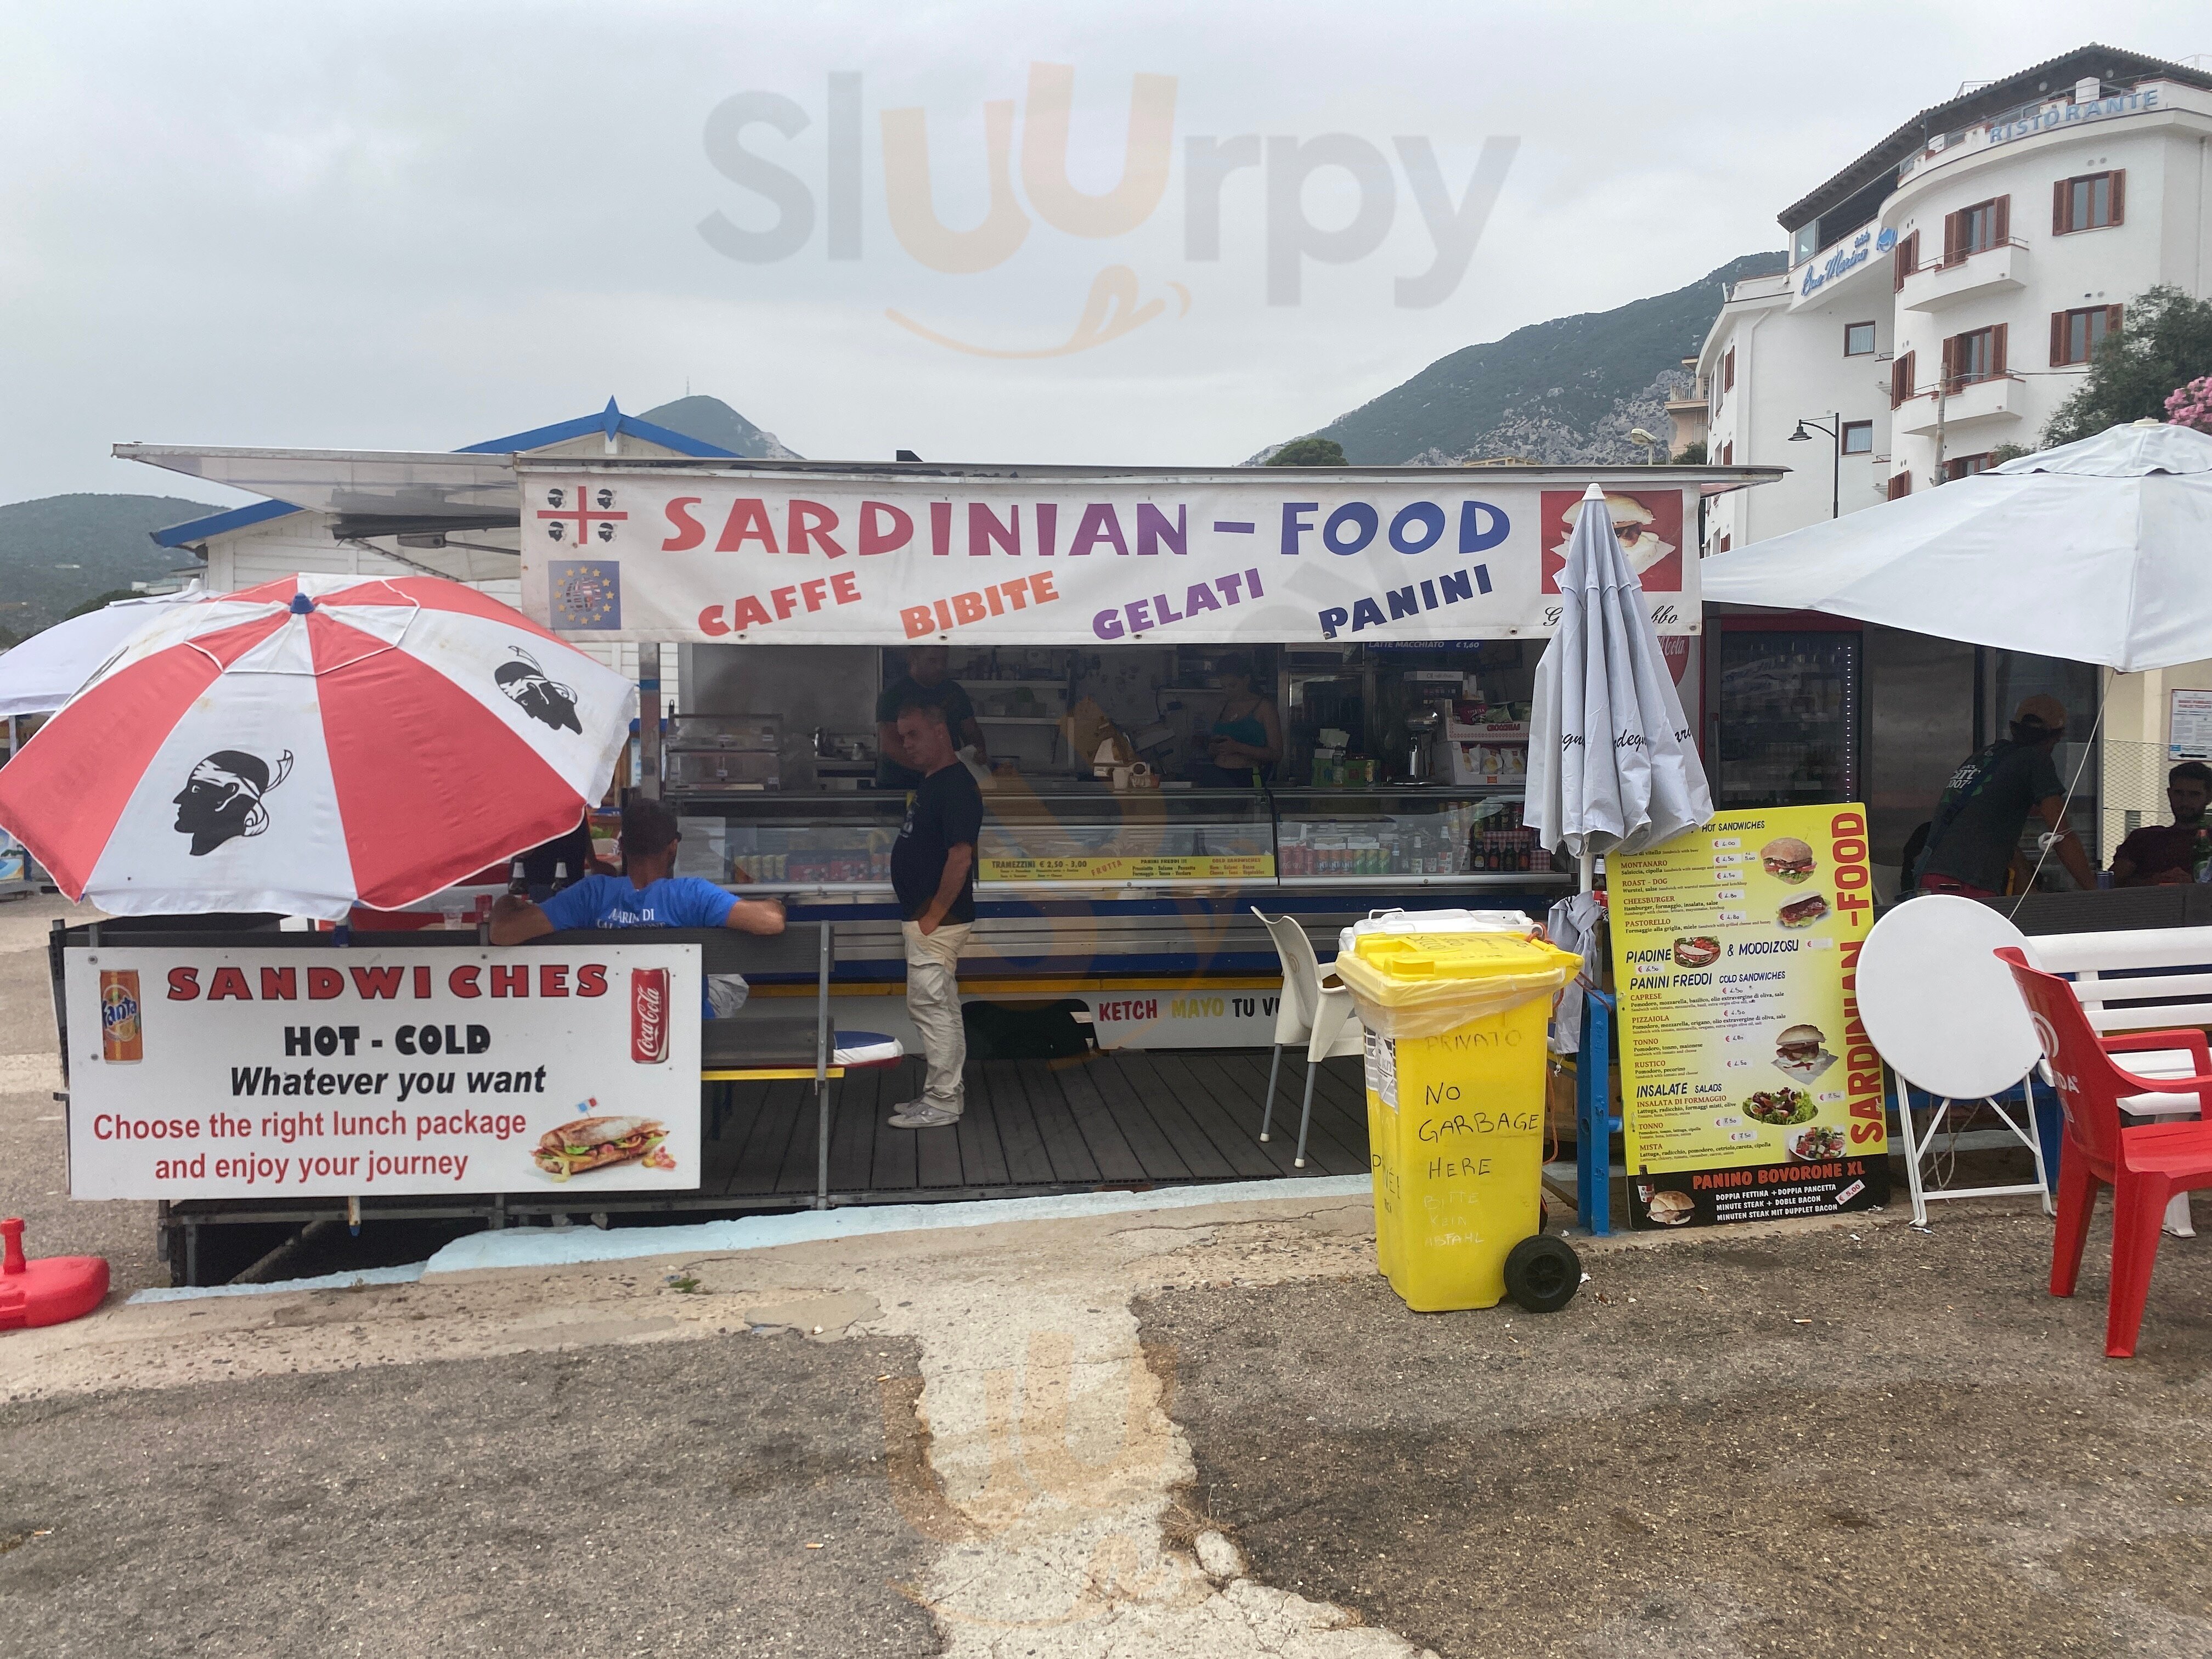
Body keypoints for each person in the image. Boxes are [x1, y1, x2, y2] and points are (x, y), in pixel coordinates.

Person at [490, 798, 785, 1017]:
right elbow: (771, 922)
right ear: (673, 846)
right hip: (688, 1028)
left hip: (606, 1024)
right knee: (730, 981)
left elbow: (503, 933)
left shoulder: (590, 894)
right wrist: (775, 904)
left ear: (623, 845)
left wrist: (506, 902)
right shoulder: (692, 895)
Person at [886, 698, 983, 1130]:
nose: (907, 745)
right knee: (939, 1006)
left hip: (937, 923)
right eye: (902, 737)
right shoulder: (934, 781)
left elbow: (961, 857)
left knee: (931, 1006)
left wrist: (933, 916)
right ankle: (946, 1093)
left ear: (941, 732)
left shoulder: (957, 785)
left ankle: (942, 1102)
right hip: (928, 920)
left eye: (915, 735)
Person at [1916, 695, 2097, 899]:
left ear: (2012, 728)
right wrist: (2096, 893)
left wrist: (2030, 889)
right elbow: (2061, 835)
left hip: (1931, 878)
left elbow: (2003, 842)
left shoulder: (1984, 757)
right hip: (1967, 885)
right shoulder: (2036, 759)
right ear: (2058, 736)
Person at [876, 645, 988, 789]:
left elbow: (972, 732)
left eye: (944, 661)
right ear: (913, 658)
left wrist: (978, 751)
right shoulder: (892, 695)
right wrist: (936, 768)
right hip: (901, 785)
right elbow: (890, 746)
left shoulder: (955, 692)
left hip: (946, 786)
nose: (940, 667)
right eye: (932, 660)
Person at [2110, 761, 2212, 886]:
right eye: (2179, 793)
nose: (2185, 801)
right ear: (2169, 794)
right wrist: (2153, 882)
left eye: (2194, 795)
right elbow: (2111, 883)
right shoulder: (2143, 838)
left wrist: (2195, 883)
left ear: (2209, 797)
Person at [1195, 654, 1283, 789]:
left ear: (1246, 680)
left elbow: (1276, 754)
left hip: (1247, 776)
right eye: (1224, 687)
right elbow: (1213, 745)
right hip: (1218, 774)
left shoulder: (1264, 707)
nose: (1228, 691)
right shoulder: (1222, 707)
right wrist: (1213, 748)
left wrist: (1238, 747)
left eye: (1233, 686)